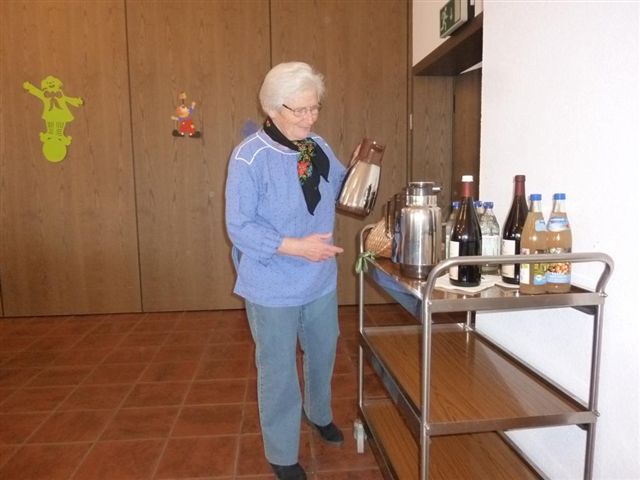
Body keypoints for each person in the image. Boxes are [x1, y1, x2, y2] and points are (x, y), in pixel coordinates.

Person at [225, 62, 347, 480]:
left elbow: (343, 189)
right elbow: (240, 226)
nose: (310, 118)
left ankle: (319, 413)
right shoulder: (249, 157)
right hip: (271, 280)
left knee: (323, 350)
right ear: (273, 108)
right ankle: (281, 452)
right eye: (300, 110)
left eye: (315, 108)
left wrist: (366, 172)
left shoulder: (317, 146)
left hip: (319, 276)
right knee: (278, 368)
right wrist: (297, 247)